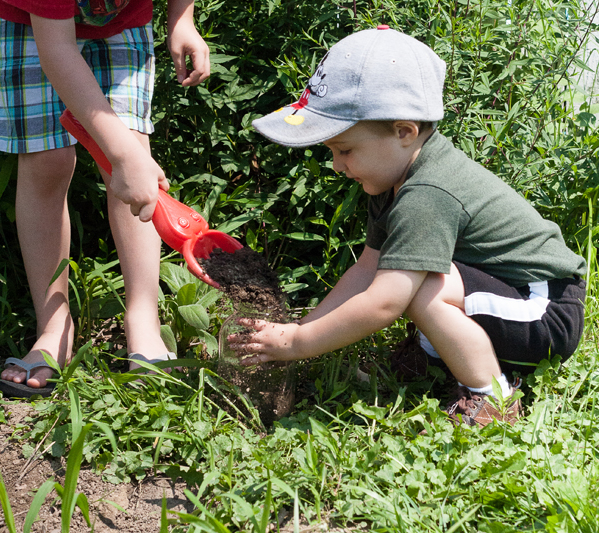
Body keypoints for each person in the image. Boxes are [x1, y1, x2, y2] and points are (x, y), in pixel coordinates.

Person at [0, 0, 249, 396]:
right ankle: (53, 325)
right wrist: (120, 150)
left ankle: (145, 321)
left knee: (130, 170)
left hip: (121, 19)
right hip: (32, 22)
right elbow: (54, 46)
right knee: (49, 163)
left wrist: (181, 17)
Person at [231, 25, 586, 426]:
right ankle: (436, 358)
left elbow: (384, 302)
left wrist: (297, 343)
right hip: (509, 294)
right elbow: (365, 270)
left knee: (417, 287)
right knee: (407, 274)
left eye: (345, 150)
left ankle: (491, 398)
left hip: (545, 312)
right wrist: (300, 328)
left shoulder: (427, 194)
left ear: (404, 132)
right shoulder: (393, 179)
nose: (336, 165)